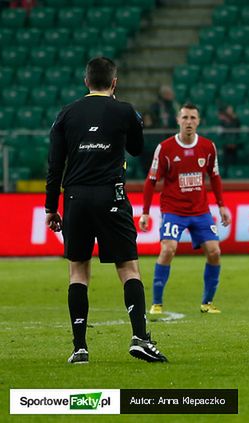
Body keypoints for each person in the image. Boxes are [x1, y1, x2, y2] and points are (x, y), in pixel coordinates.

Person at [45, 57, 167, 364]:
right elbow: (138, 149)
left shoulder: (66, 113)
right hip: (111, 195)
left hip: (75, 198)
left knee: (78, 271)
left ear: (85, 81)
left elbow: (55, 165)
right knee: (128, 267)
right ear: (114, 82)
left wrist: (50, 207)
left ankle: (80, 348)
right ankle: (140, 337)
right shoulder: (125, 110)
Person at [139, 102, 231, 315]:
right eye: (185, 118)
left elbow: (214, 177)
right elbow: (151, 180)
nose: (188, 122)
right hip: (173, 210)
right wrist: (144, 212)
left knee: (215, 252)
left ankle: (207, 303)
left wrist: (222, 205)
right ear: (178, 120)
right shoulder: (166, 148)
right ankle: (157, 303)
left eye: (193, 118)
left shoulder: (208, 147)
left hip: (200, 211)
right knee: (168, 249)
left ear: (198, 121)